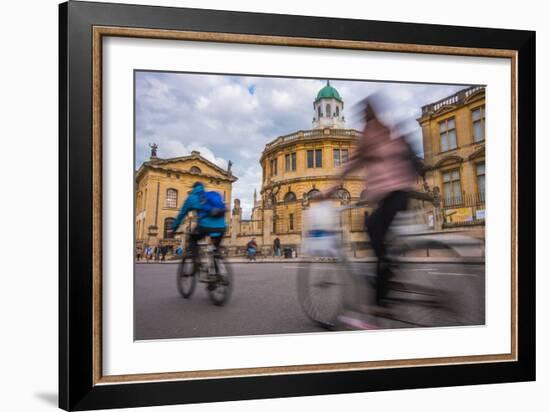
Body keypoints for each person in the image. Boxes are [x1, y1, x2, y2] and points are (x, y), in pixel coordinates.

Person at [324, 98, 420, 309]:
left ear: (368, 113)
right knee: (381, 234)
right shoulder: (386, 130)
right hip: (399, 191)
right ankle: (389, 271)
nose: (362, 116)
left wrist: (331, 188)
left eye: (364, 112)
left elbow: (355, 162)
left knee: (373, 229)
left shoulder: (371, 134)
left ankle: (382, 294)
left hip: (392, 193)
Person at [171, 182, 227, 269]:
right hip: (222, 226)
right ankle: (217, 274)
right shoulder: (210, 194)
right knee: (215, 249)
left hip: (205, 225)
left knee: (192, 239)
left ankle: (197, 262)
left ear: (193, 189)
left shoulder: (192, 198)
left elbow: (181, 214)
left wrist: (173, 228)